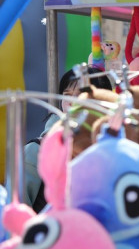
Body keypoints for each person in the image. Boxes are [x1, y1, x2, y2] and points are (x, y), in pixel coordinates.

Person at [24, 67, 113, 211]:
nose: (71, 102)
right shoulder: (36, 151)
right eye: (67, 95)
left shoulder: (115, 150)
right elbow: (14, 215)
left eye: (80, 96)